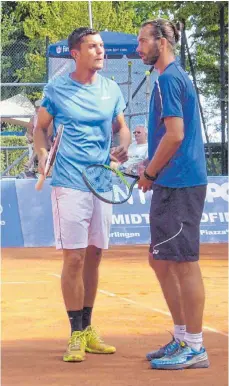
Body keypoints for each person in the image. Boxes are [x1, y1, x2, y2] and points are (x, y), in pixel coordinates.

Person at [34, 27, 130, 362]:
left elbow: (122, 127)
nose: (100, 51)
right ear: (75, 53)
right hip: (69, 182)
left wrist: (124, 146)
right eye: (93, 46)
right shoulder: (57, 89)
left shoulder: (111, 89)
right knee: (73, 258)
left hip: (102, 182)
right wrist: (42, 153)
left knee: (94, 256)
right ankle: (75, 333)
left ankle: (87, 329)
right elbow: (39, 126)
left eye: (101, 46)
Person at [136, 19, 209, 370]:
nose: (139, 48)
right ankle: (182, 336)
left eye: (143, 41)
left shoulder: (168, 78)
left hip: (179, 183)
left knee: (183, 262)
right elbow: (169, 137)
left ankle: (195, 346)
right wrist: (149, 165)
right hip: (171, 181)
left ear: (161, 42)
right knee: (161, 260)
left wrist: (150, 172)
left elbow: (176, 135)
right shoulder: (170, 78)